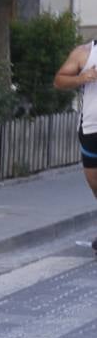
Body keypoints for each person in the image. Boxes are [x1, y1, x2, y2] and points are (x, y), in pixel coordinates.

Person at [53, 37, 97, 253]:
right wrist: (83, 77)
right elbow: (59, 80)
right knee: (94, 182)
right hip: (90, 128)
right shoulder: (84, 53)